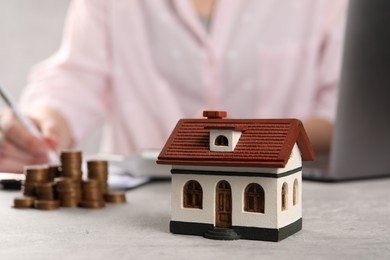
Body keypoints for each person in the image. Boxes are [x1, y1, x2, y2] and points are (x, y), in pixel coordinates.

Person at [0, 0, 348, 173]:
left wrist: (251, 142)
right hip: (140, 208)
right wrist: (44, 124)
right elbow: (76, 77)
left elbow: (346, 112)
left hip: (289, 194)